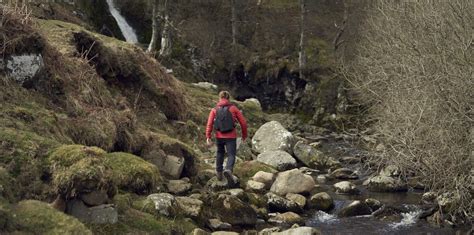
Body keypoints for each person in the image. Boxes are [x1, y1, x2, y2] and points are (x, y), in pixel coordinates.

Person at [206, 91, 247, 183]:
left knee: (220, 153)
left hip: (219, 136)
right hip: (231, 136)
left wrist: (208, 136)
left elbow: (209, 124)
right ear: (229, 98)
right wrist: (244, 135)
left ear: (220, 98)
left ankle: (219, 173)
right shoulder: (233, 108)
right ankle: (228, 170)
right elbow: (243, 123)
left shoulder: (214, 109)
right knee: (231, 154)